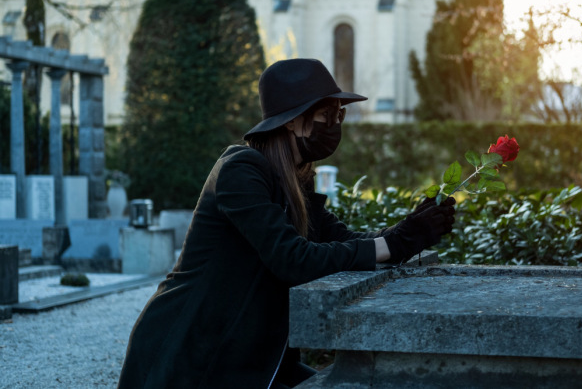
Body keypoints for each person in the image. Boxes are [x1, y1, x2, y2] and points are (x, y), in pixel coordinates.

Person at [117, 58, 455, 388]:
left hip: (249, 357)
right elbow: (292, 259)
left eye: (340, 114)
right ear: (293, 121)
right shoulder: (241, 171)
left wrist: (410, 232)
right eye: (327, 114)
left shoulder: (296, 180)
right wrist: (394, 244)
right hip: (189, 353)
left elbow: (342, 240)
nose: (336, 124)